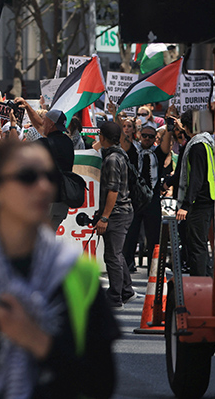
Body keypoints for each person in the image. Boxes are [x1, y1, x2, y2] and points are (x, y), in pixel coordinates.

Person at [0, 141, 118, 399]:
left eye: (49, 177)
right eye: (27, 177)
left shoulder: (79, 274)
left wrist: (38, 341)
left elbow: (103, 383)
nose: (43, 187)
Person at [167, 110, 215, 277]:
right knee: (198, 245)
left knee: (197, 247)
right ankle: (204, 281)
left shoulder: (197, 146)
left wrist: (186, 205)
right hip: (206, 200)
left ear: (189, 127)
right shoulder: (206, 141)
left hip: (198, 203)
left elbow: (195, 177)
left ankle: (200, 286)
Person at [94, 121, 135, 308]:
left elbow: (113, 190)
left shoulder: (112, 159)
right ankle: (126, 290)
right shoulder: (119, 154)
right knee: (116, 253)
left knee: (112, 255)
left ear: (102, 137)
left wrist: (105, 217)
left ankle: (115, 296)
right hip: (122, 212)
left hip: (117, 213)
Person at [16, 102, 75, 229]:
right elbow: (40, 127)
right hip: (63, 200)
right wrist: (27, 107)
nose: (43, 123)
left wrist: (12, 127)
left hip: (47, 200)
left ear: (51, 124)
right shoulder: (68, 142)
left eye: (45, 121)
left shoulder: (44, 143)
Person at [123, 121, 173, 272]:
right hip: (134, 198)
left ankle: (154, 266)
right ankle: (127, 264)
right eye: (144, 135)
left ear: (155, 139)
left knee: (153, 236)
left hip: (152, 199)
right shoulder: (133, 151)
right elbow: (123, 140)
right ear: (139, 135)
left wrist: (169, 126)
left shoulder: (157, 153)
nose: (147, 139)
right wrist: (115, 116)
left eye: (150, 137)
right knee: (131, 234)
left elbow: (166, 143)